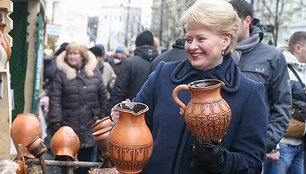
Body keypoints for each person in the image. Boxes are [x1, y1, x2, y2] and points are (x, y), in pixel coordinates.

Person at [110, 0, 268, 173]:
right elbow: (139, 126)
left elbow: (252, 164)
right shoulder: (163, 75)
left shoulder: (248, 92)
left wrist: (221, 160)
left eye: (201, 38)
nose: (192, 46)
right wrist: (124, 120)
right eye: (188, 39)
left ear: (225, 40)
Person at [229, 0, 292, 168]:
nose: (227, 26)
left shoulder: (272, 56)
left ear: (247, 21)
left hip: (251, 150)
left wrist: (263, 142)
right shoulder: (217, 52)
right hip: (217, 149)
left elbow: (282, 105)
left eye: (232, 20)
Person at [47, 42, 108, 174]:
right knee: (67, 166)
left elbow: (103, 96)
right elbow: (55, 99)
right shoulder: (62, 74)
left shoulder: (93, 72)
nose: (71, 56)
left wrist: (101, 117)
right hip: (68, 127)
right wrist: (56, 123)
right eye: (69, 53)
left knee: (84, 166)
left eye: (75, 53)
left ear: (83, 56)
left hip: (89, 127)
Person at [265, 31, 306, 174]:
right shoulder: (282, 69)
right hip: (282, 146)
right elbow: (272, 105)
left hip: (301, 145)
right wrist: (272, 146)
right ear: (298, 48)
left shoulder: (304, 70)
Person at [106, 30, 159, 116]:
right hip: (154, 115)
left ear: (137, 45)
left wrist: (110, 114)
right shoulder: (161, 62)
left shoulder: (130, 62)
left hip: (131, 113)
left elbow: (119, 91)